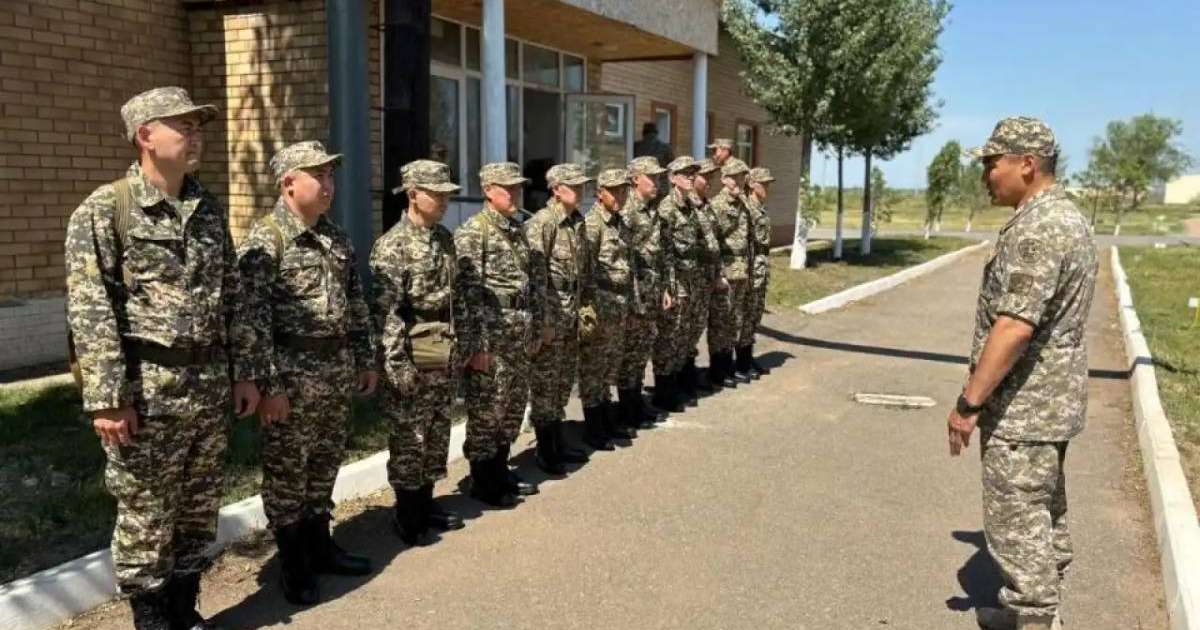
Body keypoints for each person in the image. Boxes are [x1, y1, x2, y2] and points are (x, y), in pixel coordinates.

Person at [64, 86, 262, 629]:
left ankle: (183, 610)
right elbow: (90, 310)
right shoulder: (105, 210)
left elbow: (232, 296)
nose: (196, 136)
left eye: (199, 127)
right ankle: (152, 621)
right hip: (148, 394)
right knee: (146, 517)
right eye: (184, 126)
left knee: (197, 510)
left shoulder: (207, 208)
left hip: (206, 388)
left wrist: (245, 373)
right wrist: (108, 399)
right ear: (145, 135)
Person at [947, 117, 1096, 630]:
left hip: (1025, 408)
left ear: (1027, 164)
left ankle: (1034, 618)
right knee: (1042, 512)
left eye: (993, 163)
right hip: (1048, 402)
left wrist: (968, 404)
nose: (986, 175)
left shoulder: (1040, 228)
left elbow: (1014, 326)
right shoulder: (1062, 216)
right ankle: (1028, 612)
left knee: (1017, 520)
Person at [238, 141, 376, 604]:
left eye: (331, 175)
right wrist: (269, 387)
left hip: (334, 373)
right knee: (287, 474)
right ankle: (293, 563)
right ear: (288, 183)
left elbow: (356, 304)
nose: (328, 185)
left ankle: (321, 546)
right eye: (318, 175)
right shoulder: (265, 241)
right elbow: (251, 323)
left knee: (324, 463)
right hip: (290, 380)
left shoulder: (335, 237)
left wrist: (365, 358)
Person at [370, 159, 466, 546]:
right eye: (436, 194)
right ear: (413, 194)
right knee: (411, 437)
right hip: (413, 352)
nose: (444, 201)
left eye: (447, 194)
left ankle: (426, 503)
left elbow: (456, 297)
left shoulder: (444, 239)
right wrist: (396, 365)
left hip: (443, 350)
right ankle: (407, 514)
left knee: (437, 431)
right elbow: (387, 312)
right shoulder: (392, 246)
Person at [454, 162, 542, 507]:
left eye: (518, 187)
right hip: (491, 336)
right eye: (509, 188)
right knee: (487, 408)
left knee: (512, 406)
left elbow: (531, 282)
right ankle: (483, 479)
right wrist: (476, 346)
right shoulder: (473, 232)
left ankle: (500, 469)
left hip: (518, 333)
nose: (516, 194)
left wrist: (536, 325)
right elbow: (467, 294)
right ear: (488, 190)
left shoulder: (517, 230)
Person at [524, 163, 594, 475]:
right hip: (552, 315)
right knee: (545, 383)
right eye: (573, 186)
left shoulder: (577, 221)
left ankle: (558, 440)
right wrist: (543, 322)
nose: (580, 191)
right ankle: (545, 449)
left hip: (571, 314)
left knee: (563, 381)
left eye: (581, 185)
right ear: (556, 189)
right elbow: (535, 278)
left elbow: (583, 271)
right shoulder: (543, 223)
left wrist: (585, 308)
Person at [577, 169, 638, 449]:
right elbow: (584, 271)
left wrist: (632, 303)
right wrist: (590, 312)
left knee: (609, 368)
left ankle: (605, 420)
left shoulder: (620, 223)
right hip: (600, 307)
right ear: (599, 193)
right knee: (594, 369)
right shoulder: (592, 225)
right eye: (614, 191)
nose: (620, 196)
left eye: (624, 191)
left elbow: (628, 266)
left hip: (618, 305)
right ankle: (593, 428)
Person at [618, 156, 674, 425]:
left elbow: (660, 254)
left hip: (651, 289)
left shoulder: (652, 209)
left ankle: (636, 401)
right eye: (651, 177)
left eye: (659, 177)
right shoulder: (626, 211)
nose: (657, 182)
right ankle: (627, 409)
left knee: (641, 350)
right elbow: (622, 261)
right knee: (630, 353)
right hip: (635, 293)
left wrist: (664, 288)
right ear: (635, 179)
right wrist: (631, 300)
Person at [651, 156, 705, 409]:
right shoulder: (667, 208)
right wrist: (670, 287)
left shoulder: (690, 205)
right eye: (685, 173)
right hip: (675, 281)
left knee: (684, 334)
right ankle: (663, 392)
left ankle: (678, 384)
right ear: (673, 178)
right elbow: (664, 252)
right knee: (669, 336)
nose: (691, 177)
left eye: (693, 173)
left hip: (691, 279)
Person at [708, 158, 754, 386]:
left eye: (742, 177)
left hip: (741, 271)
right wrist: (718, 274)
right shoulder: (717, 205)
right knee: (720, 322)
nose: (739, 182)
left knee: (734, 321)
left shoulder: (743, 203)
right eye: (734, 177)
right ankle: (718, 371)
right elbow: (713, 243)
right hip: (726, 272)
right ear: (724, 179)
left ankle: (728, 367)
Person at [691, 158, 728, 392]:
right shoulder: (689, 206)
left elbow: (715, 243)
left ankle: (690, 375)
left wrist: (718, 273)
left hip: (707, 277)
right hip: (692, 279)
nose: (709, 181)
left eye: (712, 177)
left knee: (699, 327)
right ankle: (685, 377)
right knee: (688, 331)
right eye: (705, 177)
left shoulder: (708, 206)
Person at [739, 166, 776, 379]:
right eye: (764, 184)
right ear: (752, 184)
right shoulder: (747, 209)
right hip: (751, 269)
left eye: (768, 184)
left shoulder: (761, 208)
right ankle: (742, 362)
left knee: (755, 314)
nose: (767, 188)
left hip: (761, 268)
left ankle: (748, 356)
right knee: (747, 314)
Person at [633, 122, 675, 197]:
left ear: (643, 133)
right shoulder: (666, 147)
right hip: (661, 187)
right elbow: (672, 167)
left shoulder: (635, 146)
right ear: (656, 133)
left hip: (641, 186)